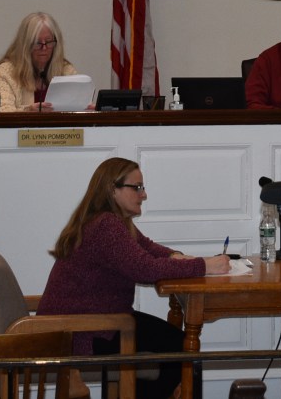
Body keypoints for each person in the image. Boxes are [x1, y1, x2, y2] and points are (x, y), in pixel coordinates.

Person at [38, 157, 230, 399]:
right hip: (82, 330)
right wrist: (204, 266)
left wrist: (175, 256)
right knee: (181, 349)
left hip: (95, 321)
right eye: (137, 187)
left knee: (173, 345)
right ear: (112, 189)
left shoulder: (111, 220)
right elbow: (145, 269)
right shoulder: (106, 225)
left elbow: (146, 247)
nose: (144, 194)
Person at [0, 12, 78, 111]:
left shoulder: (66, 71)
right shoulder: (6, 72)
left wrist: (88, 109)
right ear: (24, 45)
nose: (44, 48)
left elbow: (76, 108)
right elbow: (4, 114)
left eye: (49, 41)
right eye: (37, 42)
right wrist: (29, 111)